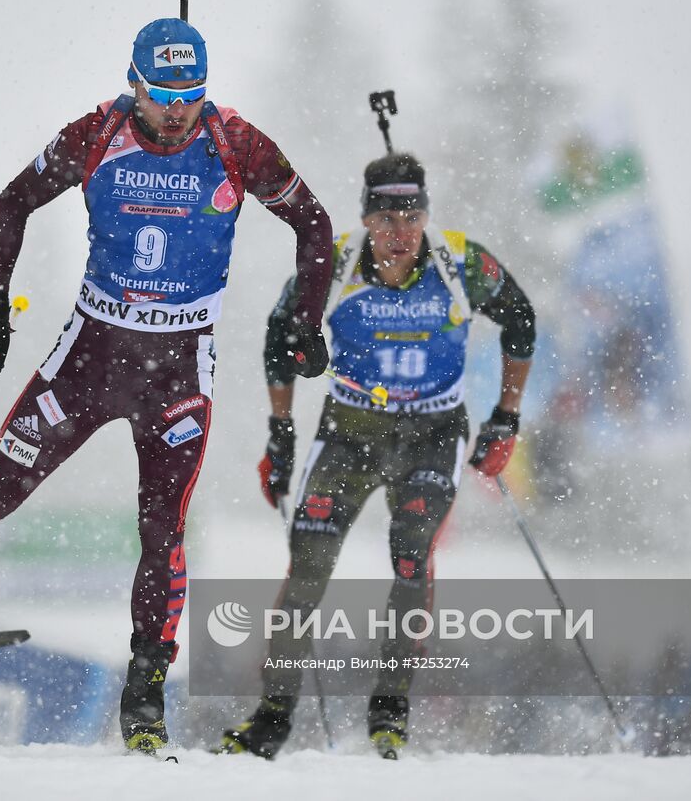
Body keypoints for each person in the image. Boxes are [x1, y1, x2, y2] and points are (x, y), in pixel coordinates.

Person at [0, 18, 334, 755]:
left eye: (192, 94)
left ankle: (145, 697)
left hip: (179, 374)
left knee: (162, 529)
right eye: (163, 95)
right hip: (90, 360)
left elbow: (313, 223)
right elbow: (11, 203)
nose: (178, 110)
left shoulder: (236, 142)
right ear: (134, 83)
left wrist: (306, 325)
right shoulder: (97, 133)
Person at [218, 151, 537, 759]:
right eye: (385, 219)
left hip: (431, 435)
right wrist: (280, 433)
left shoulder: (460, 263)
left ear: (425, 218)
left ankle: (389, 713)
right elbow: (278, 334)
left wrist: (506, 420)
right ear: (366, 219)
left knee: (411, 557)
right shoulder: (333, 264)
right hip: (348, 436)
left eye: (410, 218)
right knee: (308, 567)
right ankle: (271, 717)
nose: (398, 234)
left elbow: (520, 318)